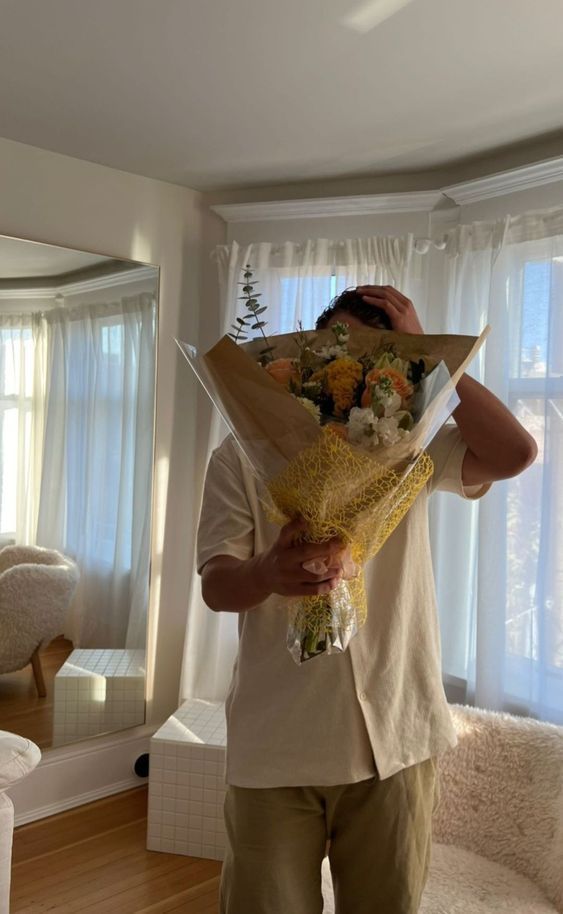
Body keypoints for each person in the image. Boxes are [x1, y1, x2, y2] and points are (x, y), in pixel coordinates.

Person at [196, 285, 537, 914]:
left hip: (396, 736)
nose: (336, 367)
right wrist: (269, 573)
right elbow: (216, 583)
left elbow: (516, 453)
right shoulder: (241, 456)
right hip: (276, 746)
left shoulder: (415, 445)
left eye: (372, 353)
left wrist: (434, 357)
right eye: (327, 352)